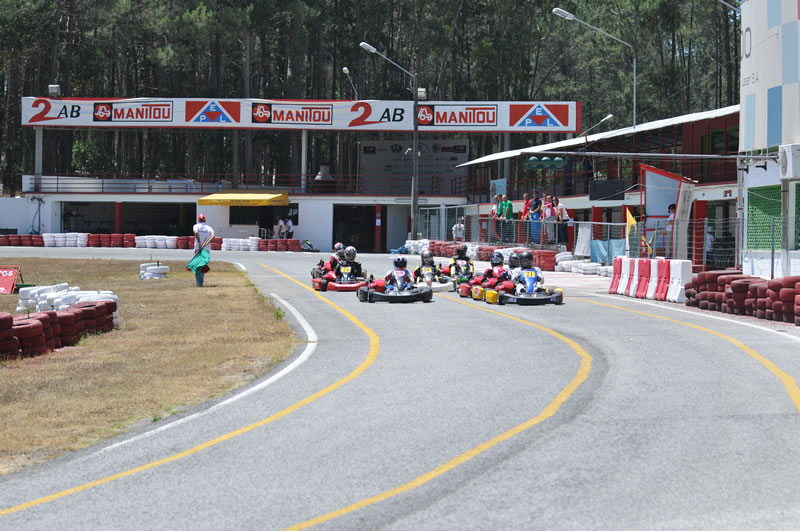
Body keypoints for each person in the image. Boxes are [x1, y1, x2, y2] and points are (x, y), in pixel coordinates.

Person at [189, 214, 214, 287]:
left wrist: (200, 243)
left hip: (198, 248)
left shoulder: (196, 226)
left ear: (198, 220)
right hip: (206, 249)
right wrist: (206, 243)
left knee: (197, 266)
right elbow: (213, 236)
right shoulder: (209, 228)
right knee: (203, 265)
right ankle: (201, 282)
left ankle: (199, 283)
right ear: (205, 219)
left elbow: (196, 232)